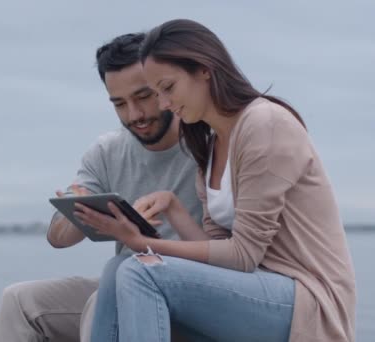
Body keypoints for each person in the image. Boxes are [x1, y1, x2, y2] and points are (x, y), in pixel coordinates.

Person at [77, 19, 356, 342]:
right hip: (253, 290)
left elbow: (243, 255)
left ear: (203, 69)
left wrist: (142, 243)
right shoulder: (210, 143)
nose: (165, 104)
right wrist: (173, 206)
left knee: (141, 270)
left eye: (167, 88)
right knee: (119, 268)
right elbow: (219, 252)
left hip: (307, 301)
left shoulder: (263, 124)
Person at [0, 32, 203, 342]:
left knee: (105, 299)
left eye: (144, 97)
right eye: (119, 103)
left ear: (164, 85)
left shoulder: (206, 144)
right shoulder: (107, 151)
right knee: (18, 300)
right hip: (127, 280)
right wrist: (84, 210)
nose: (135, 115)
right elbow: (57, 238)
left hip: (194, 293)